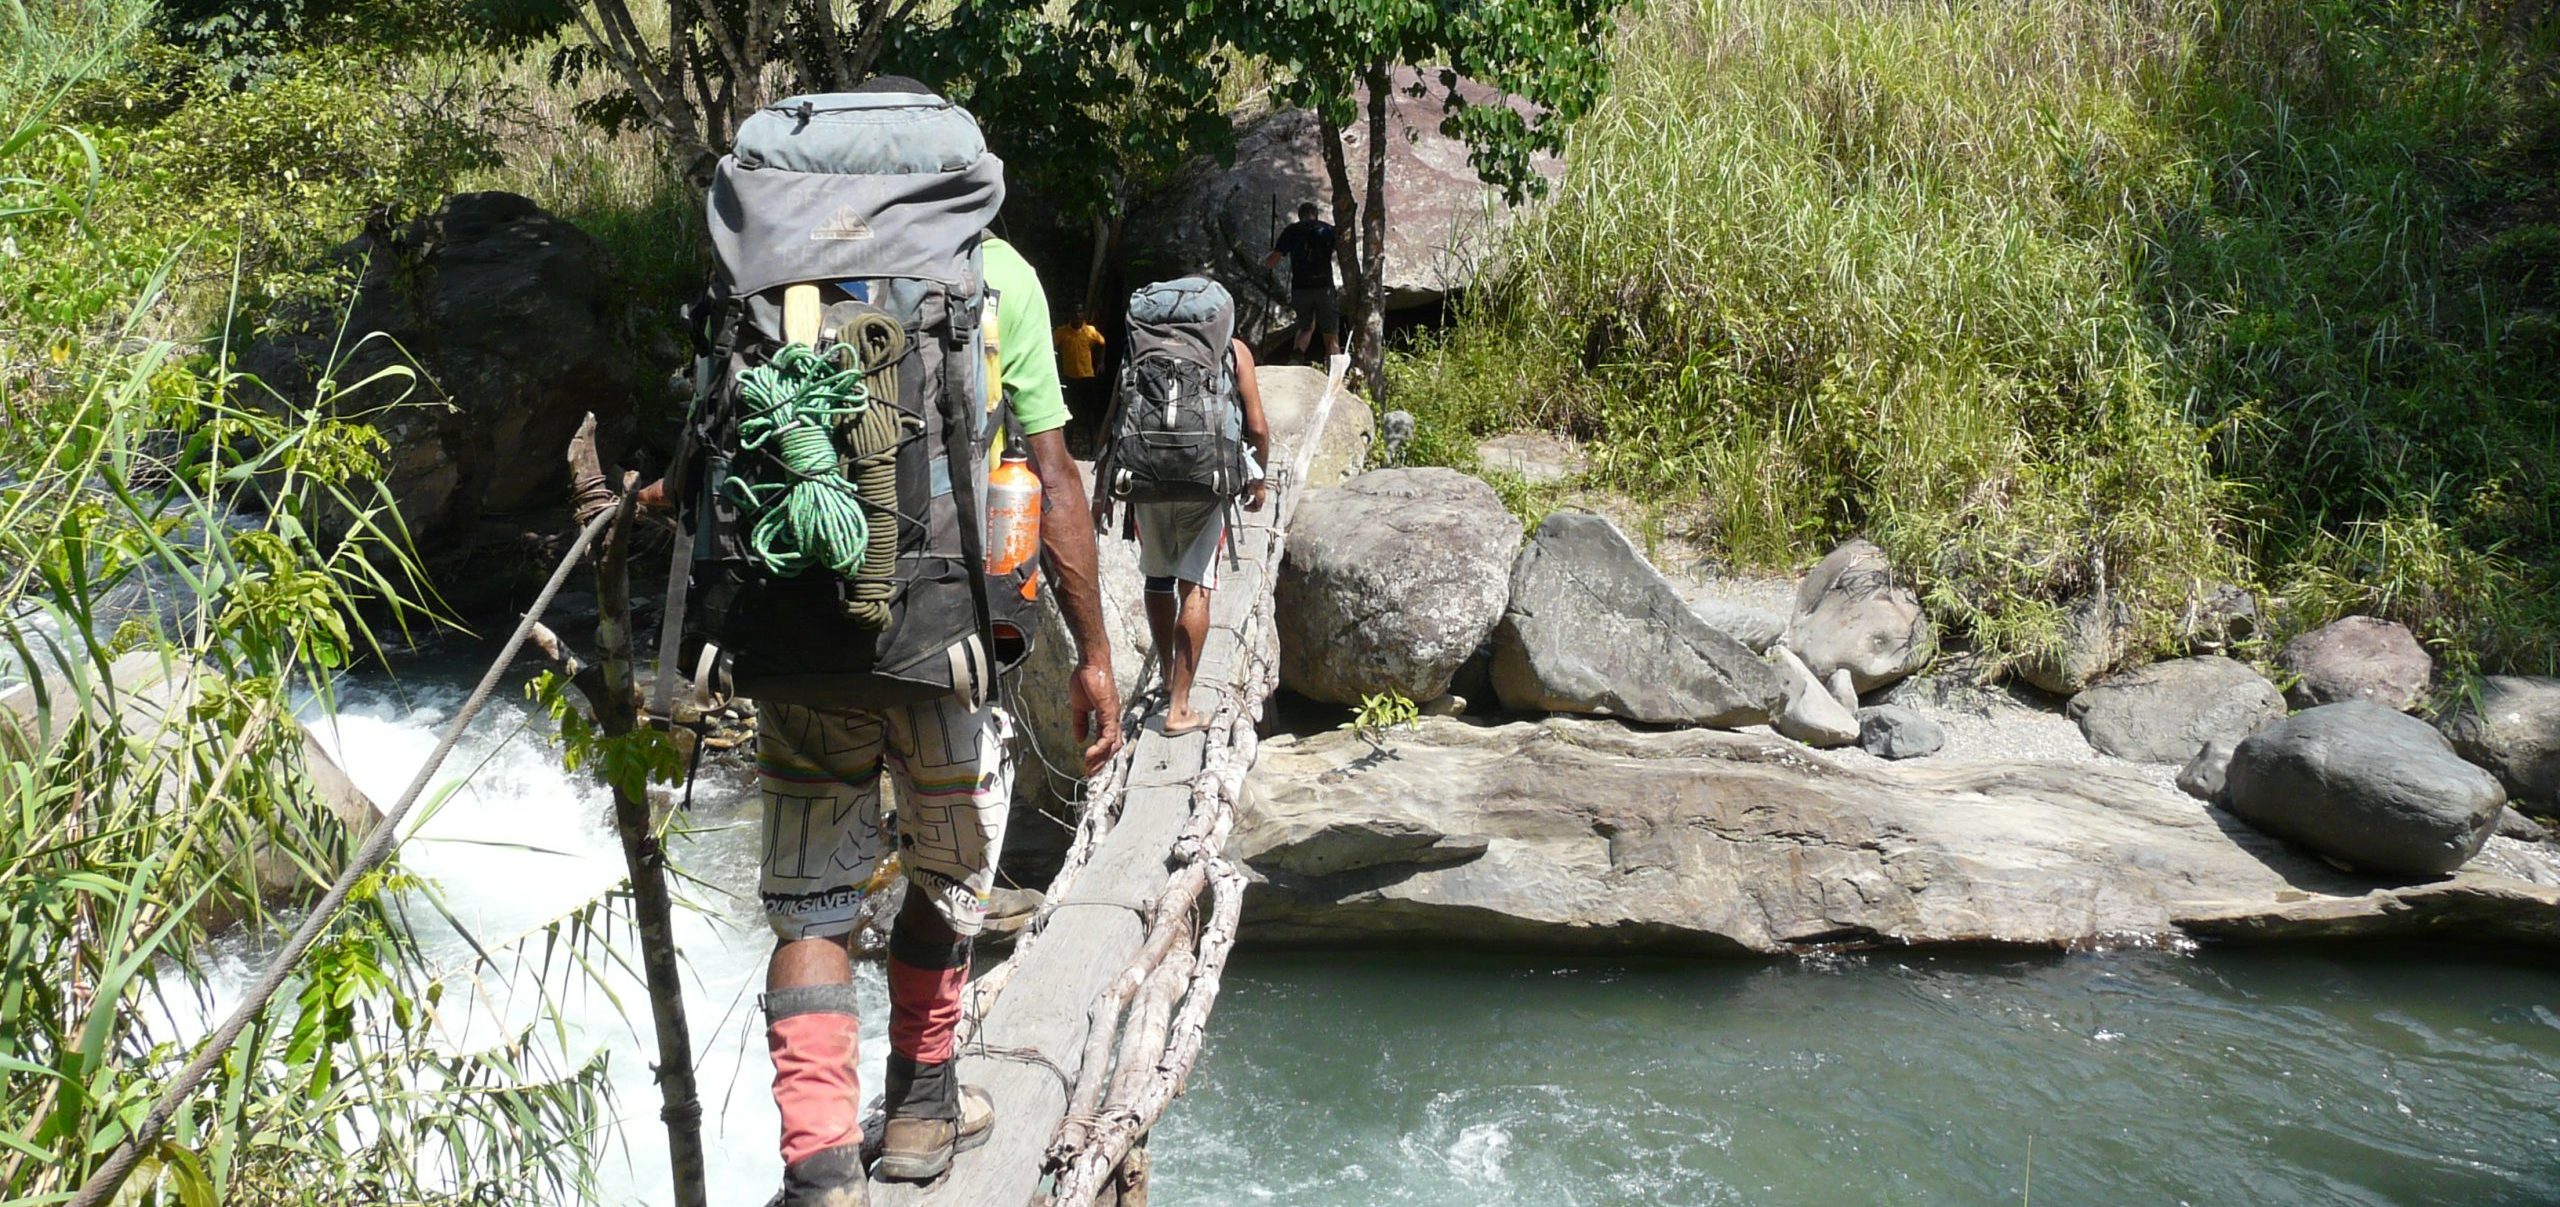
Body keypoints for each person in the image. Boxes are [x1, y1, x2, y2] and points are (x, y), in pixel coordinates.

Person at [611, 82, 1125, 1206]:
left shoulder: (760, 275)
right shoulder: (996, 277)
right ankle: (925, 1111)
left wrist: (638, 502)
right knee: (947, 873)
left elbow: (710, 453)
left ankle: (819, 1165)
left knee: (810, 904)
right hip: (948, 640)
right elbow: (1053, 475)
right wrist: (1092, 653)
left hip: (793, 633)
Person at [1120, 338, 1270, 736]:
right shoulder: (1231, 348)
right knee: (1196, 584)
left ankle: (1168, 675)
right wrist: (1259, 479)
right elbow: (1256, 426)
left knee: (1156, 575)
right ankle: (1180, 707)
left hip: (1147, 472)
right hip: (1206, 477)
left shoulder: (1144, 343)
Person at [1263, 202, 1339, 363]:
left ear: (1300, 215)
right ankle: (1333, 367)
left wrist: (1269, 256)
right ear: (1316, 214)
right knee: (1330, 333)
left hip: (1300, 289)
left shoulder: (1291, 231)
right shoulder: (1328, 230)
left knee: (1306, 328)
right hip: (1324, 287)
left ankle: (1295, 361)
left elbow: (1271, 262)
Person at [1052, 305, 1109, 448]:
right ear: (1070, 314)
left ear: (1083, 314)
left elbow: (1102, 343)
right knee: (1069, 412)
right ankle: (1068, 446)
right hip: (1070, 378)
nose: (1078, 315)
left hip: (1086, 377)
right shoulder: (1061, 332)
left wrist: (1101, 362)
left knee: (1089, 413)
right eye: (1075, 311)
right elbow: (1052, 346)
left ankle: (1093, 446)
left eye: (1080, 311)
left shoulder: (1090, 331)